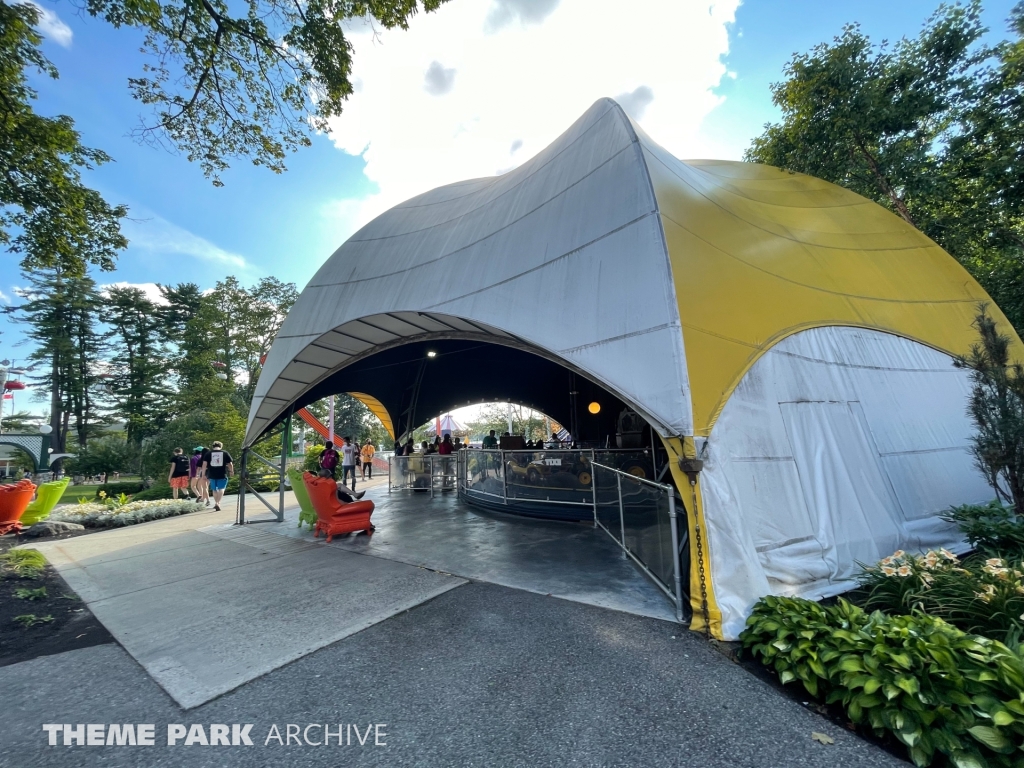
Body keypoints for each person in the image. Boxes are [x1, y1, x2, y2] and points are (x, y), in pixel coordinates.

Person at [202, 440, 233, 512]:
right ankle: (218, 503)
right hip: (222, 473)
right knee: (221, 488)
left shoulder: (208, 453)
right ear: (221, 446)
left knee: (214, 489)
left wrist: (203, 474)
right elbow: (230, 464)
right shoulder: (225, 453)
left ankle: (216, 502)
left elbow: (204, 465)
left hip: (211, 474)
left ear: (213, 446)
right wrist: (231, 471)